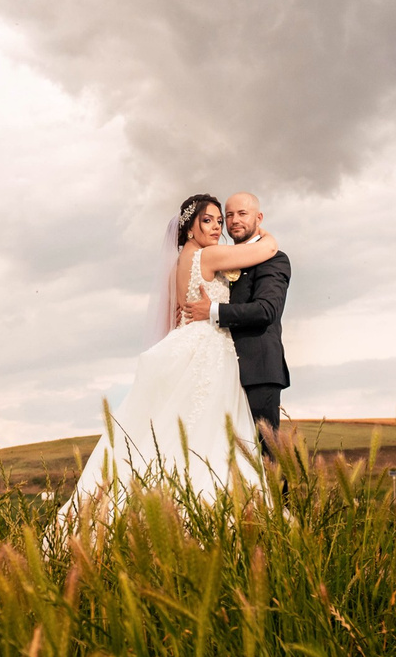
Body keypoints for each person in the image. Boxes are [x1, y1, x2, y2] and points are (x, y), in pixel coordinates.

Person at [66, 192, 280, 505]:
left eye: (219, 221)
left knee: (179, 429)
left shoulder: (179, 264)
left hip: (185, 342)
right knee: (209, 430)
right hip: (209, 346)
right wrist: (265, 232)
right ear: (189, 228)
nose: (217, 227)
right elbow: (268, 250)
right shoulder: (208, 257)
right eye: (207, 220)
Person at [179, 192, 292, 455]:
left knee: (265, 456)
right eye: (228, 215)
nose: (233, 221)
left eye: (242, 214)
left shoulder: (274, 259)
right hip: (215, 367)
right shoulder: (218, 257)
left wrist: (212, 310)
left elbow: (266, 310)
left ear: (259, 218)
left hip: (257, 370)